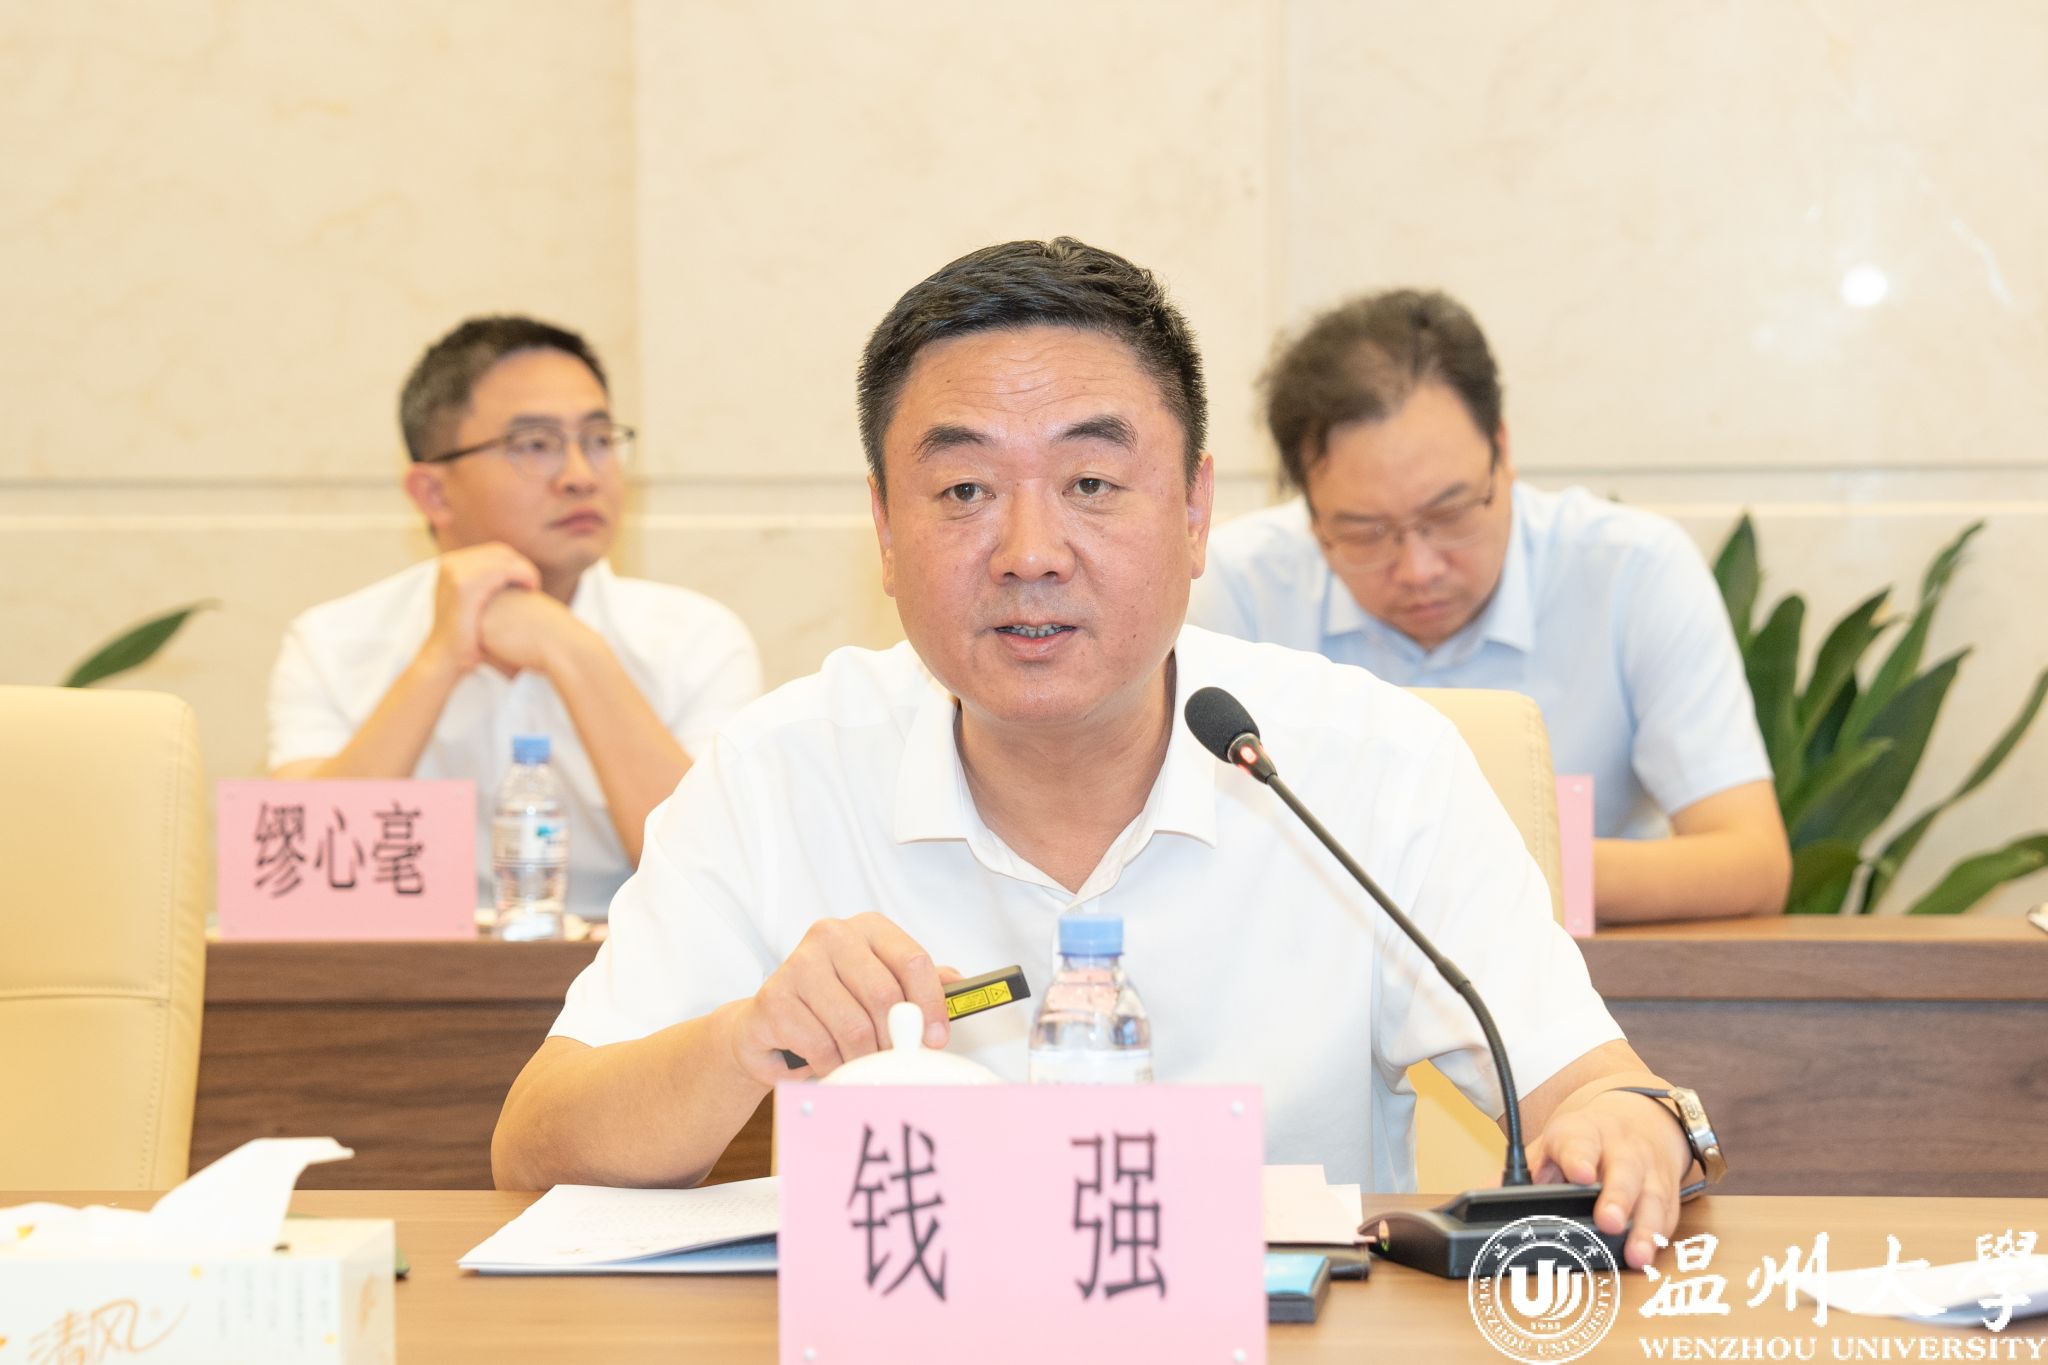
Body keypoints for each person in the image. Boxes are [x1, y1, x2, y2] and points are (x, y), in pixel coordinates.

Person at [493, 241, 1709, 1268]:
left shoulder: (1366, 764)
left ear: (1193, 512)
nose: (1029, 551)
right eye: (962, 491)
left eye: (1089, 480)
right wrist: (746, 1040)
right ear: (882, 528)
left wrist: (1627, 1129)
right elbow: (536, 1147)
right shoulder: (777, 771)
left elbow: (1593, 1087)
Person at [1189, 290, 1790, 924]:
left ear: (1502, 454)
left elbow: (1751, 864)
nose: (1419, 568)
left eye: (1449, 513)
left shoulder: (1630, 572)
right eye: (1365, 532)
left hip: (1586, 969)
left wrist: (1482, 869)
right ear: (1311, 514)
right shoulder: (1237, 585)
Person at [267, 316, 761, 919]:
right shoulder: (330, 642)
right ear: (433, 493)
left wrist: (572, 651)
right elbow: (299, 883)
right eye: (535, 445)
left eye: (599, 439)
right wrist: (437, 662)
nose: (581, 476)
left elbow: (721, 875)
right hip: (400, 968)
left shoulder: (697, 639)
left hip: (629, 971)